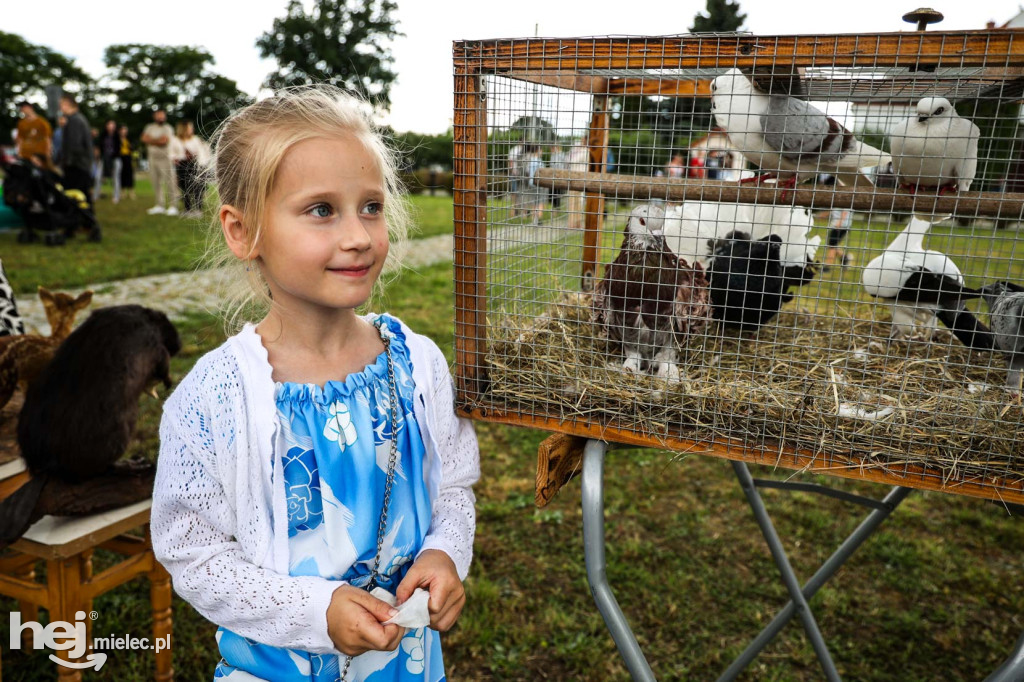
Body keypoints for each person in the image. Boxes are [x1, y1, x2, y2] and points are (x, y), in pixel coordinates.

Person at [151, 86, 480, 681]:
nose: (357, 235)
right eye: (322, 210)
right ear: (241, 230)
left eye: (371, 207)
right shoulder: (213, 399)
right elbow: (194, 551)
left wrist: (444, 552)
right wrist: (313, 609)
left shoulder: (419, 367)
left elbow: (453, 485)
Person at [58, 94, 94, 212]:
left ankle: (82, 221)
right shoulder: (77, 119)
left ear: (67, 104)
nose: (60, 108)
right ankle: (87, 222)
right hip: (80, 163)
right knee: (83, 195)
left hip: (76, 165)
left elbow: (74, 144)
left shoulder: (75, 120)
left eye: (61, 105)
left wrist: (66, 162)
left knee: (76, 194)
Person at [141, 109, 180, 215]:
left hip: (165, 158)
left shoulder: (168, 128)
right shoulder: (149, 127)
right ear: (155, 117)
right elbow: (144, 138)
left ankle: (173, 206)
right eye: (158, 116)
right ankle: (159, 205)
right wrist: (156, 140)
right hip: (152, 158)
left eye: (162, 116)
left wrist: (151, 140)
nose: (160, 118)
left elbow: (164, 141)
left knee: (169, 182)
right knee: (155, 182)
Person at [172, 121, 211, 218]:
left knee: (197, 187)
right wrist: (178, 157)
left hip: (195, 165)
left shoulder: (196, 140)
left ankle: (198, 209)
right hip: (182, 165)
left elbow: (203, 152)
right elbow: (172, 153)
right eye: (190, 128)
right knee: (184, 187)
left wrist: (202, 163)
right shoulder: (175, 140)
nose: (192, 130)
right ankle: (187, 209)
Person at [93, 120, 123, 203]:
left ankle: (116, 196)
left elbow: (118, 148)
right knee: (98, 176)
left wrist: (113, 157)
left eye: (112, 125)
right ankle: (95, 195)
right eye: (109, 125)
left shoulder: (117, 136)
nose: (111, 126)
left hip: (115, 159)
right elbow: (99, 147)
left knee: (116, 177)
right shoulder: (103, 136)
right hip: (104, 159)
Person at [118, 125, 136, 200]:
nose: (123, 131)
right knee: (122, 175)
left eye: (125, 130)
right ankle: (123, 191)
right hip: (120, 158)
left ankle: (131, 191)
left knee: (129, 175)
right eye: (122, 130)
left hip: (128, 158)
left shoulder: (129, 139)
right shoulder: (117, 139)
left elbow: (133, 148)